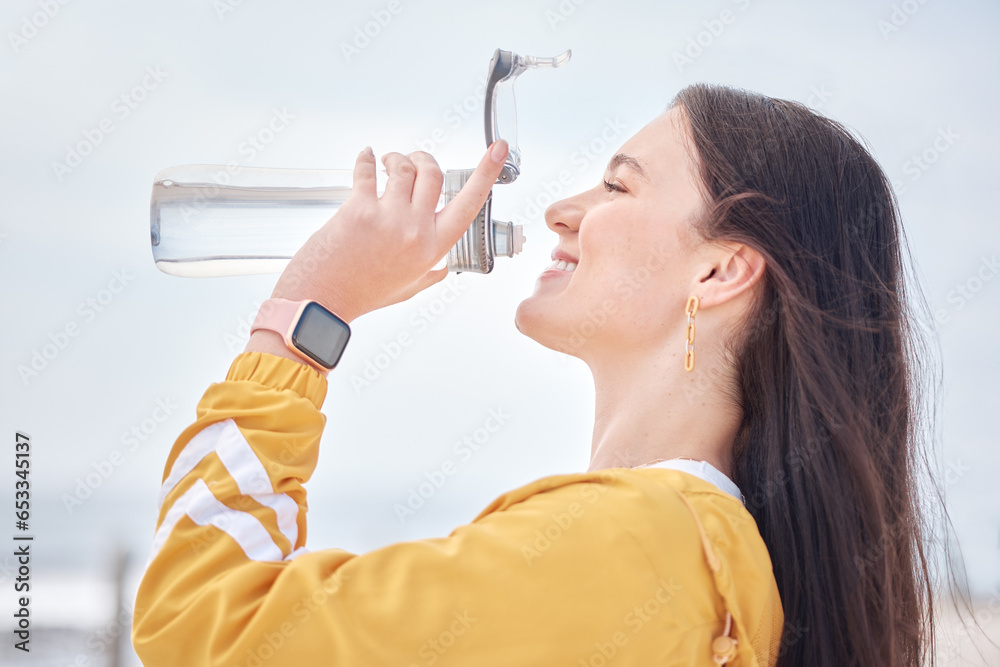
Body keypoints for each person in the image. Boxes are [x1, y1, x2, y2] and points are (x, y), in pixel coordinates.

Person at [132, 84, 939, 666]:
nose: (561, 209)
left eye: (619, 184)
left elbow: (200, 627)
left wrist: (304, 319)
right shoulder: (707, 559)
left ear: (720, 272)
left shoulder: (636, 544)